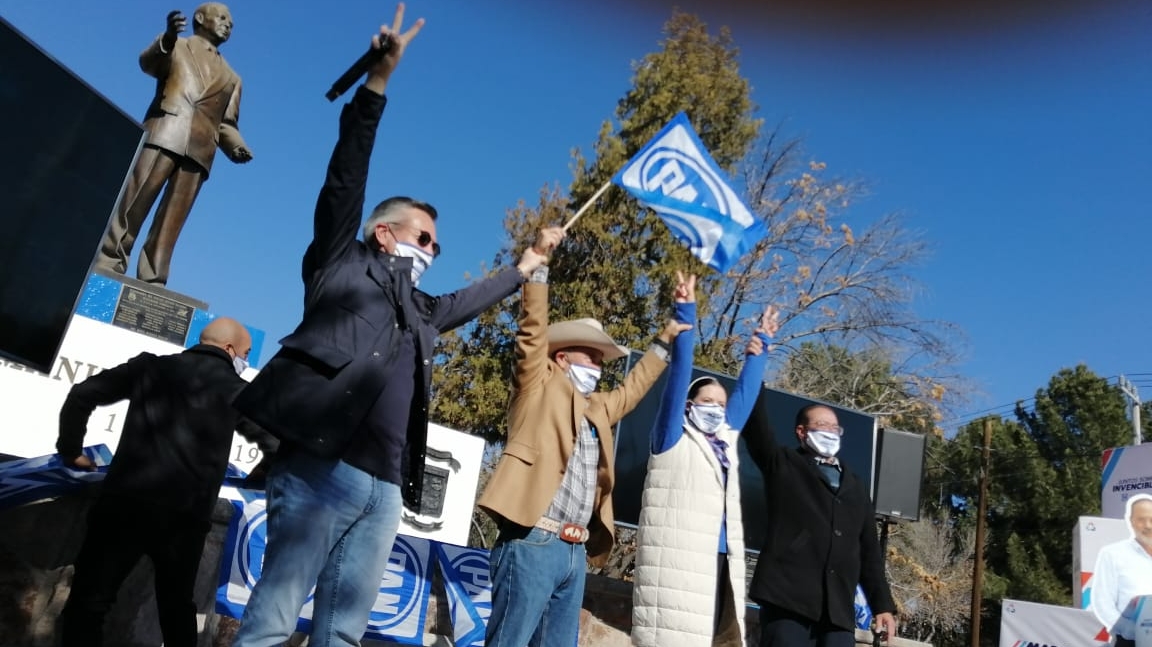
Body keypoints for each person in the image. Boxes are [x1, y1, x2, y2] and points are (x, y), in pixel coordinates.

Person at [228, 8, 558, 646]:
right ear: (385, 233)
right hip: (321, 466)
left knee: (345, 633)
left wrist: (525, 267)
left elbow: (468, 299)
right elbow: (343, 179)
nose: (433, 249)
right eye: (423, 237)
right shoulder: (341, 264)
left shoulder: (423, 311)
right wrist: (376, 85)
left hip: (385, 488)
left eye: (437, 243)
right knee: (273, 617)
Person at [478, 262, 691, 647]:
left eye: (600, 360)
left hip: (574, 552)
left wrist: (665, 340)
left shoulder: (597, 408)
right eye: (590, 357)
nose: (598, 366)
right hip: (531, 539)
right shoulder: (536, 388)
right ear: (561, 359)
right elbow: (531, 336)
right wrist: (539, 274)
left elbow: (633, 388)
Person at [55, 317, 275, 647]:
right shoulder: (237, 391)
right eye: (246, 353)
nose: (245, 359)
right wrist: (258, 476)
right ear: (230, 350)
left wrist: (71, 450)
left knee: (89, 602)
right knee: (176, 611)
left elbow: (82, 395)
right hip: (186, 518)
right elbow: (277, 444)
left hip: (124, 503)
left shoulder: (150, 368)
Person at [632, 278, 779, 647]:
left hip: (721, 562)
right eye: (707, 402)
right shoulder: (671, 436)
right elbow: (679, 376)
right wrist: (686, 313)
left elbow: (745, 395)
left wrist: (761, 349)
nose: (716, 408)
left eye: (720, 404)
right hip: (678, 566)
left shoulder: (727, 441)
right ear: (688, 407)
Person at [94, 3, 253, 286]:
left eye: (232, 22)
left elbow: (227, 122)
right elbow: (149, 64)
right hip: (165, 131)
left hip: (200, 150)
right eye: (223, 18)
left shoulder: (233, 78)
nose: (228, 24)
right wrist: (167, 38)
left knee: (171, 223)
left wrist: (236, 146)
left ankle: (154, 278)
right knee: (135, 202)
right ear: (200, 18)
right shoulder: (176, 46)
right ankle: (109, 261)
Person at [744, 401, 897, 646]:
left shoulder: (856, 486)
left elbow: (869, 553)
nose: (830, 431)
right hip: (787, 601)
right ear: (802, 432)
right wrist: (755, 370)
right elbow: (756, 429)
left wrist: (882, 606)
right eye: (822, 425)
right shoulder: (784, 464)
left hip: (837, 613)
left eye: (835, 428)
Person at [1090, 494, 1152, 647]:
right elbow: (1102, 602)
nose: (1148, 525)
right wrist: (1132, 630)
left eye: (1151, 519)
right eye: (1141, 519)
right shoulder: (1113, 554)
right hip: (1129, 641)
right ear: (1131, 521)